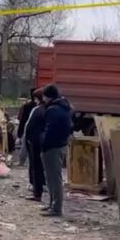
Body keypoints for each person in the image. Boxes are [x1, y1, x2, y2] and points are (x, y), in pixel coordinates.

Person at [40, 83, 73, 217]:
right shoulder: (65, 108)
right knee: (52, 177)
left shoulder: (52, 110)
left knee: (53, 178)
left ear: (48, 96)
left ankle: (56, 207)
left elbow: (49, 130)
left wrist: (43, 144)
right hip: (61, 145)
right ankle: (52, 204)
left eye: (44, 96)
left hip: (52, 147)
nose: (43, 99)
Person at [23, 88, 46, 202]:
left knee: (36, 166)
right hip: (42, 141)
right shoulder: (48, 109)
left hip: (35, 142)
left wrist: (28, 139)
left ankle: (37, 192)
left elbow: (30, 125)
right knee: (40, 167)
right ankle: (40, 188)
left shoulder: (37, 110)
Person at [17, 88, 38, 166]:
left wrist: (19, 134)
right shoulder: (42, 107)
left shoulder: (27, 106)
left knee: (25, 146)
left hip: (28, 129)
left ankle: (21, 161)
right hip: (37, 129)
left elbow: (23, 120)